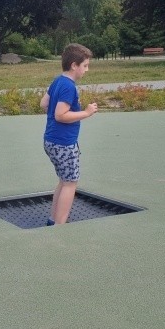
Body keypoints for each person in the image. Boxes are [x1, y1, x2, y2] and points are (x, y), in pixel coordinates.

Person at [40, 43, 98, 225]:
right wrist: (86, 113)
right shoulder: (69, 87)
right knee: (71, 183)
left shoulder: (57, 81)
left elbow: (44, 104)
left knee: (64, 181)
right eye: (85, 65)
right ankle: (60, 224)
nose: (86, 70)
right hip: (64, 143)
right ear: (74, 65)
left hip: (50, 140)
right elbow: (60, 115)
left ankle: (53, 219)